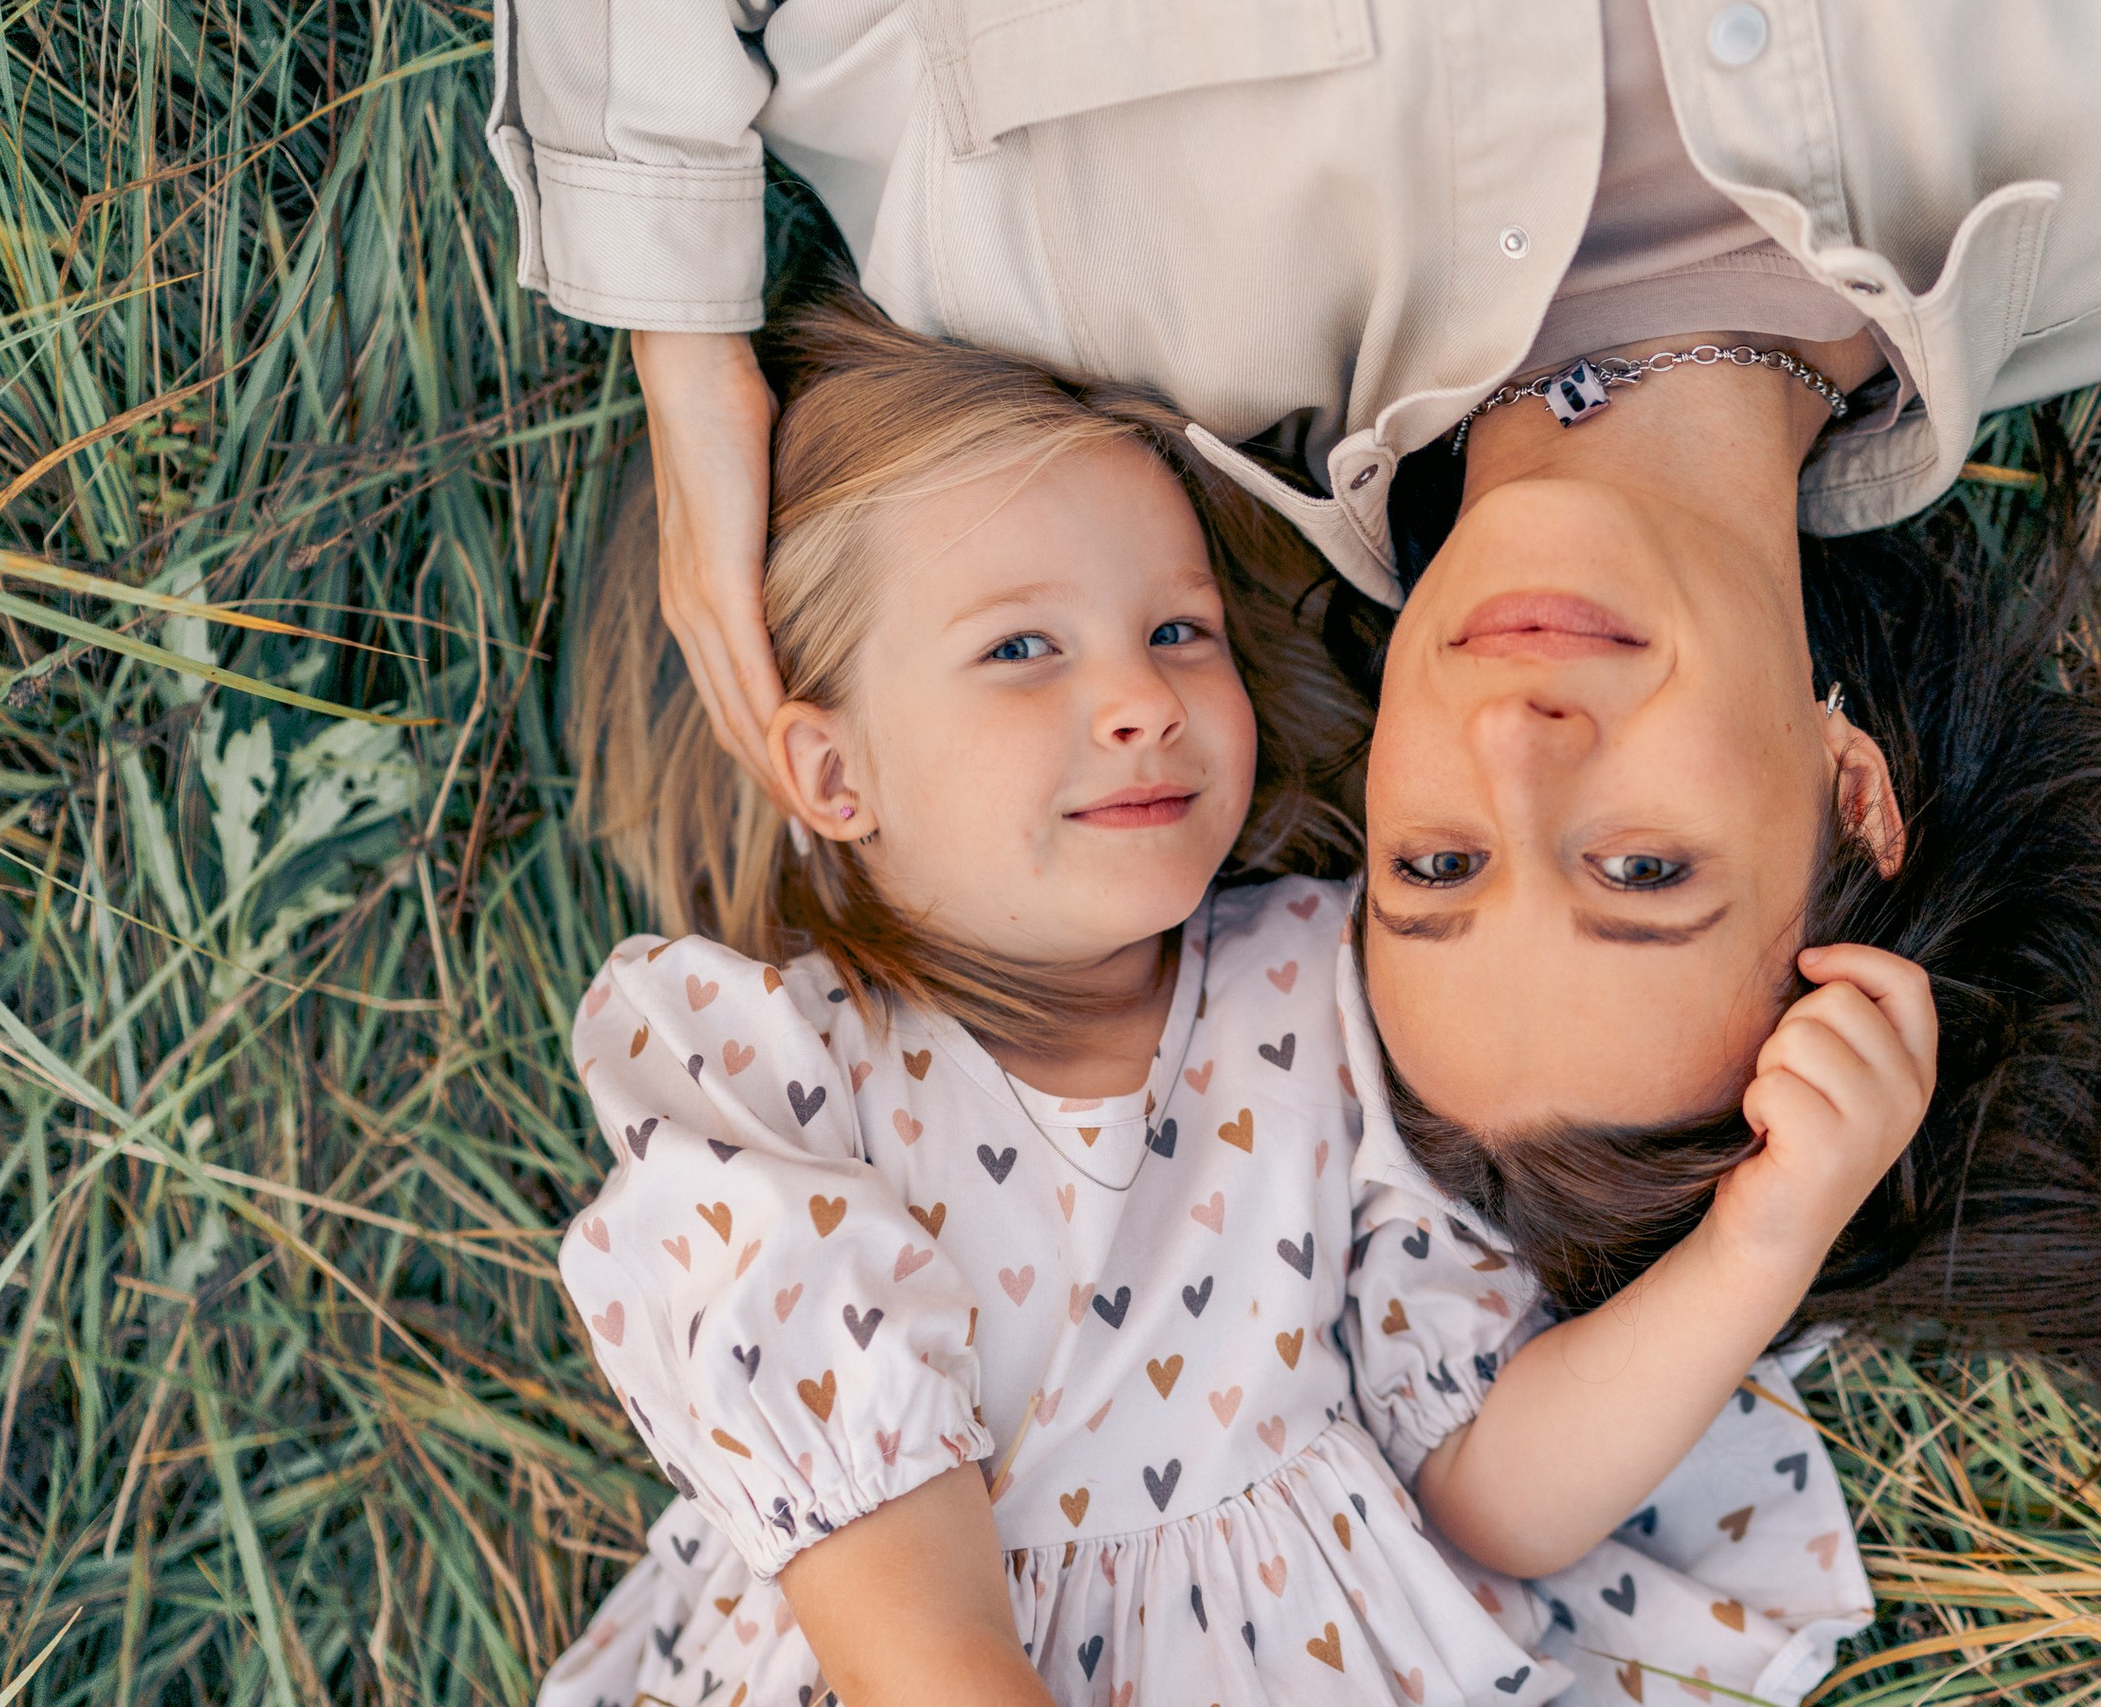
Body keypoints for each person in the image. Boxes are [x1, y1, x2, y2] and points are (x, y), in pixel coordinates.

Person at [496, 2, 2101, 1482]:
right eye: (1640, 871)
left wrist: (677, 340)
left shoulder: (1040, 263)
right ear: (1848, 789)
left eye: (1438, 866)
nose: (1524, 748)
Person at [543, 288, 1889, 1707]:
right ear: (833, 776)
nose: (1140, 697)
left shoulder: (1320, 991)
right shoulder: (778, 1075)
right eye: (1022, 648)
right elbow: (907, 1635)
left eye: (1180, 631)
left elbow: (1494, 1500)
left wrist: (1760, 1243)